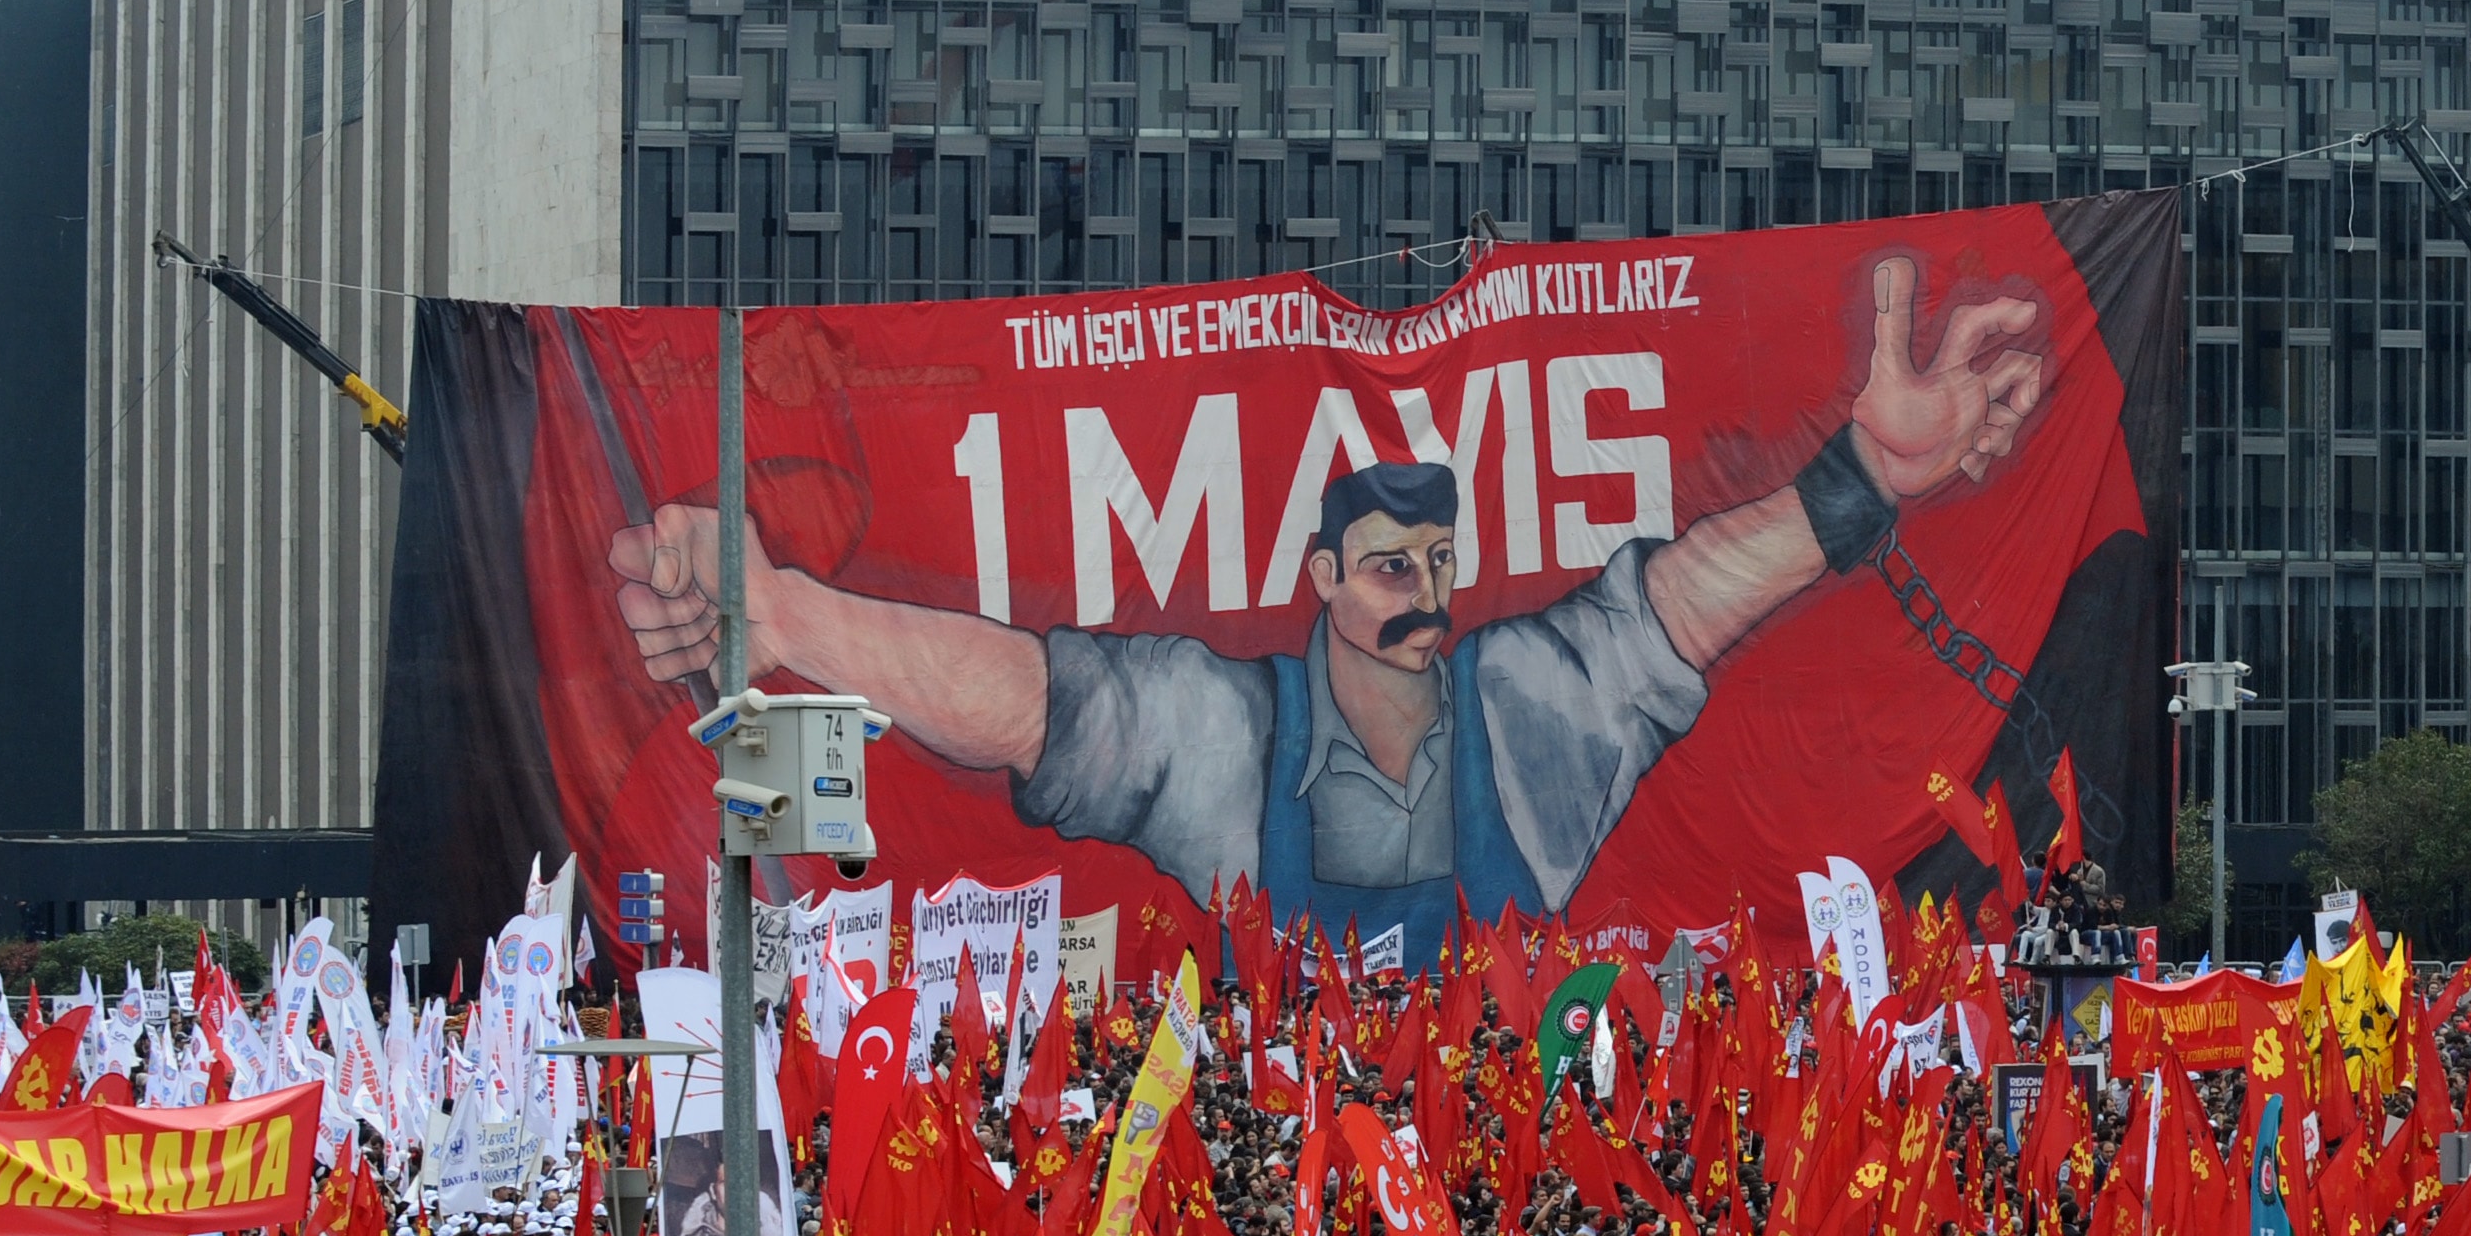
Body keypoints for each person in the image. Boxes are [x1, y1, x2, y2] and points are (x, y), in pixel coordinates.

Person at [603, 262, 2051, 948]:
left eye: (1437, 566)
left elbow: (1673, 606)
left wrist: (1861, 481)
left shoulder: (1524, 713)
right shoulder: (1226, 739)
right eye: (1387, 569)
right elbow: (1038, 701)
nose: (1424, 598)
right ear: (1320, 583)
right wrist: (789, 619)